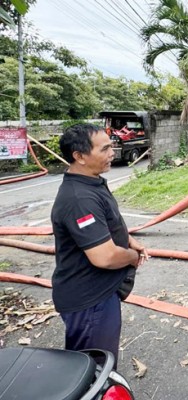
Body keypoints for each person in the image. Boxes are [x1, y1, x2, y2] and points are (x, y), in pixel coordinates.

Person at [51, 123, 149, 368]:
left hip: (99, 295)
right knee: (93, 370)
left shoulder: (92, 182)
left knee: (96, 363)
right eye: (104, 149)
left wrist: (129, 240)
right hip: (89, 302)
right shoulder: (79, 199)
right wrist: (131, 257)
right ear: (79, 156)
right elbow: (104, 257)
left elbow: (108, 222)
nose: (112, 152)